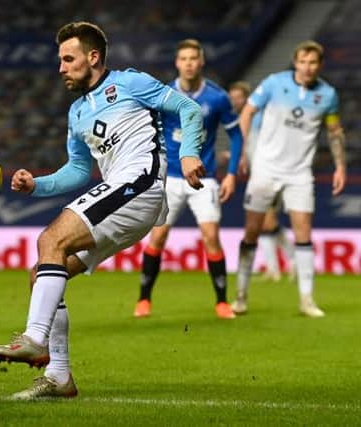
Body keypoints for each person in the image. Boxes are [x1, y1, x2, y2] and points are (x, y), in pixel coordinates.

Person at [0, 22, 205, 400]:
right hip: (123, 194)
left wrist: (189, 153)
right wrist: (36, 184)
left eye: (68, 59)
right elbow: (77, 172)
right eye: (60, 60)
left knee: (50, 238)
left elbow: (187, 107)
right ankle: (59, 376)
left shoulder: (131, 83)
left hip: (140, 185)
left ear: (93, 57)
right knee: (43, 273)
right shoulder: (76, 113)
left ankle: (34, 338)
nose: (61, 68)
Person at [232, 40, 347, 317]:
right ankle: (241, 295)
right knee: (252, 231)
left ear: (320, 65)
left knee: (303, 232)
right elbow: (247, 112)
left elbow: (334, 132)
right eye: (303, 62)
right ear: (295, 62)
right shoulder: (274, 83)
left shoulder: (328, 95)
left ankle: (307, 300)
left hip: (299, 173)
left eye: (313, 63)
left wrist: (340, 166)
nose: (307, 68)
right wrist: (242, 152)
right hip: (266, 168)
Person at [133, 39, 243, 320]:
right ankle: (144, 299)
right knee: (158, 236)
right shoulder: (164, 95)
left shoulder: (217, 98)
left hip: (204, 177)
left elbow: (236, 135)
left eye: (194, 58)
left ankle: (221, 302)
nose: (189, 63)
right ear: (177, 63)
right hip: (169, 178)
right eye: (184, 58)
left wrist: (231, 173)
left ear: (201, 61)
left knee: (211, 237)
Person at [229, 81, 295, 283]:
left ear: (247, 98)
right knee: (267, 223)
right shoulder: (243, 119)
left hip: (272, 174)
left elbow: (262, 146)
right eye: (232, 97)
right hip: (260, 175)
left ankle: (289, 264)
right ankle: (281, 267)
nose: (234, 101)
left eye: (238, 97)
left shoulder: (256, 118)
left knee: (267, 222)